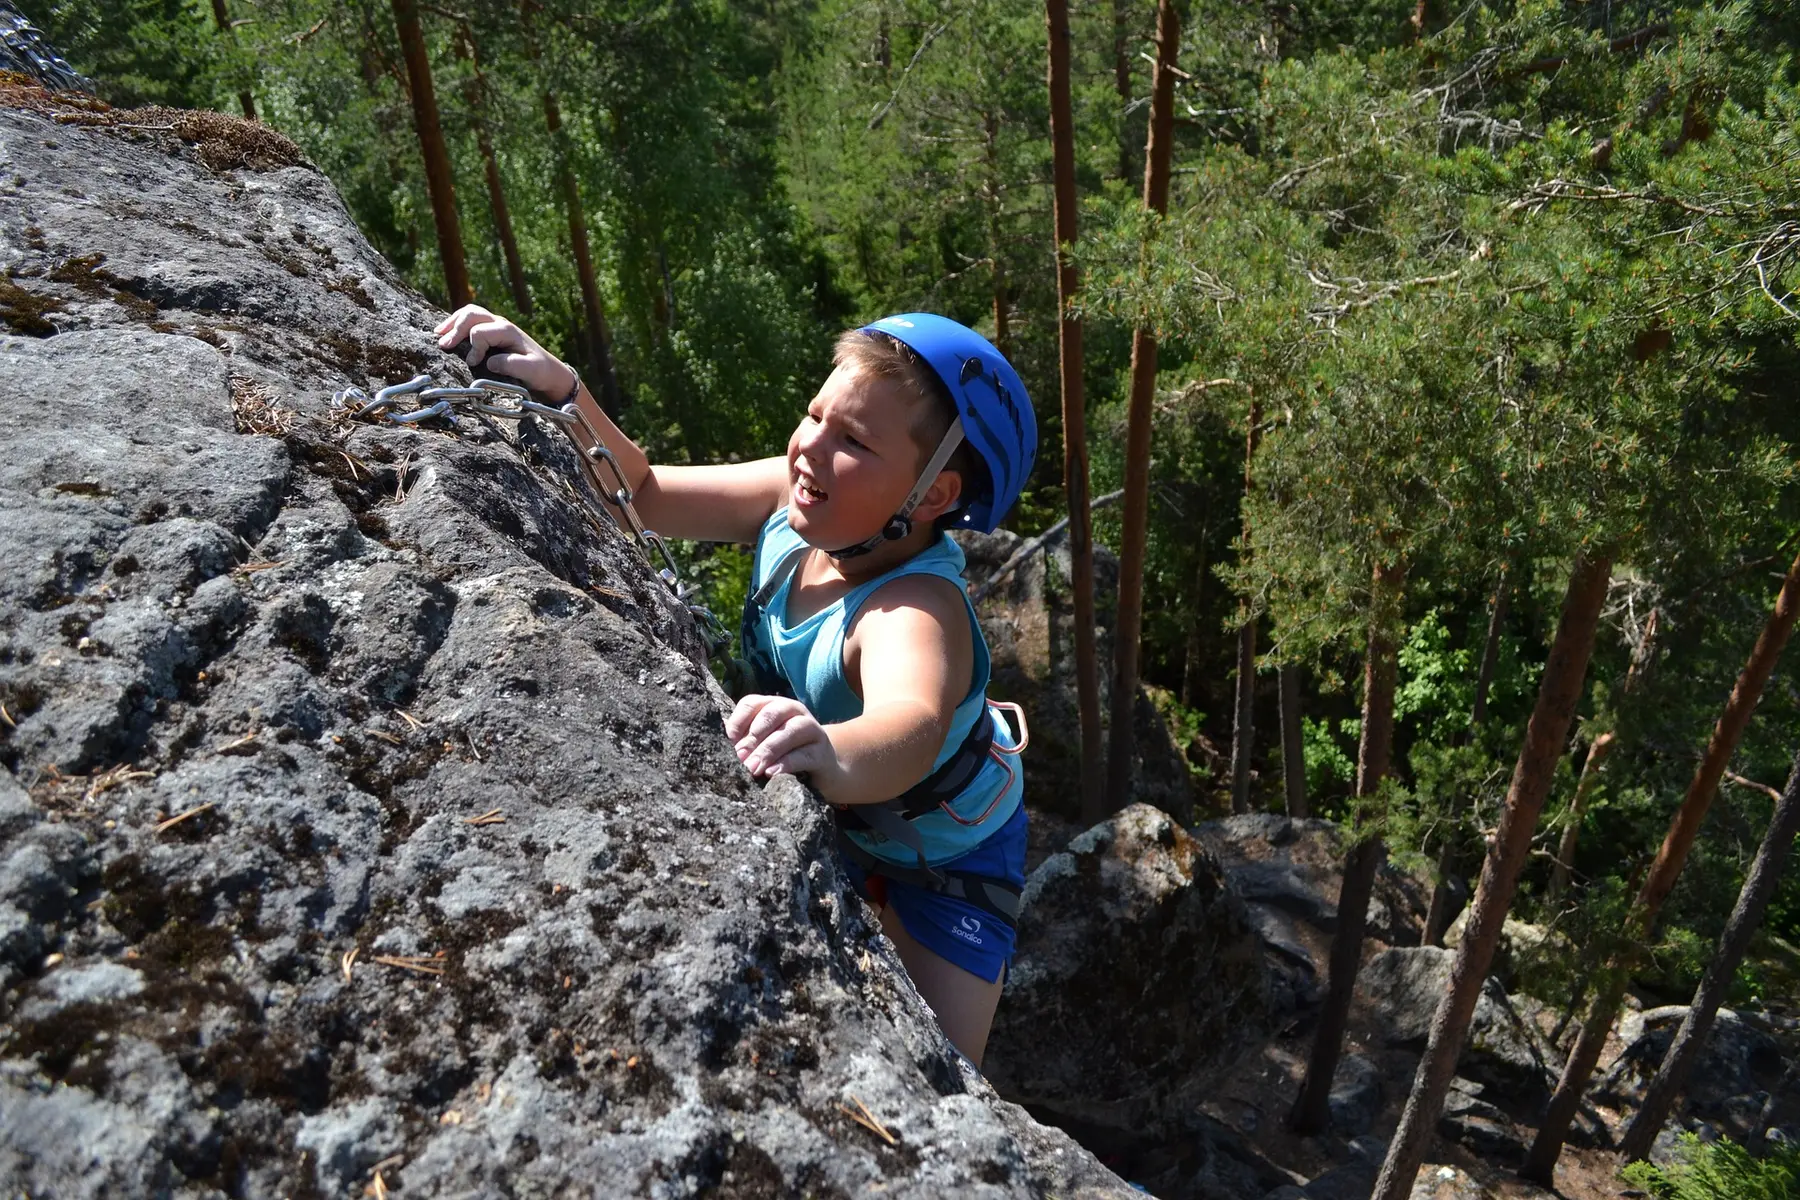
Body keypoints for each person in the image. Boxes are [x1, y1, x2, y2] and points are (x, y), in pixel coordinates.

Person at [432, 306, 1036, 1067]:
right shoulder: (788, 504)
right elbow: (643, 497)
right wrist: (563, 389)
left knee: (944, 1076)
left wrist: (830, 749)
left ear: (935, 495)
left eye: (854, 442)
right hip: (847, 800)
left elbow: (910, 722)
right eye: (816, 415)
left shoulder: (913, 610)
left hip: (952, 866)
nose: (810, 445)